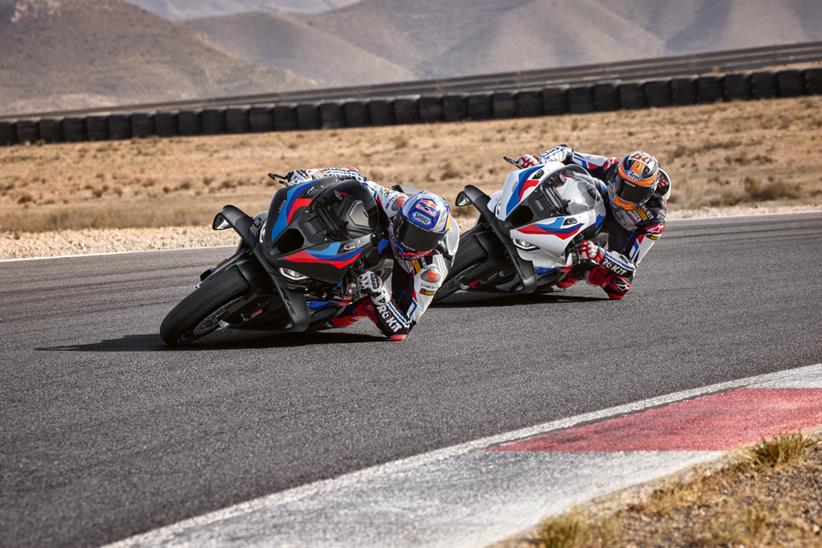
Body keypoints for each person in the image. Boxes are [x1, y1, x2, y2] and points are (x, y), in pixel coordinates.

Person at [285, 167, 459, 340]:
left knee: (351, 313)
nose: (410, 244)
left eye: (422, 240)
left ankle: (339, 307)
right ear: (400, 218)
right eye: (409, 232)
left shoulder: (430, 272)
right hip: (390, 228)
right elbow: (356, 178)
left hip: (410, 268)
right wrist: (313, 175)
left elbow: (402, 328)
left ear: (435, 241)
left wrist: (379, 294)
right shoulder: (396, 203)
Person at [515, 145, 671, 300]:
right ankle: (534, 217)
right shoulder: (612, 167)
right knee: (569, 178)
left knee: (619, 286)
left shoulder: (655, 220)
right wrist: (540, 160)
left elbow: (629, 266)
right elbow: (568, 153)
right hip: (601, 202)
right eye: (623, 184)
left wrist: (600, 255)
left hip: (623, 234)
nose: (625, 195)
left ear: (649, 192)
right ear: (618, 175)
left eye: (636, 192)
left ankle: (578, 271)